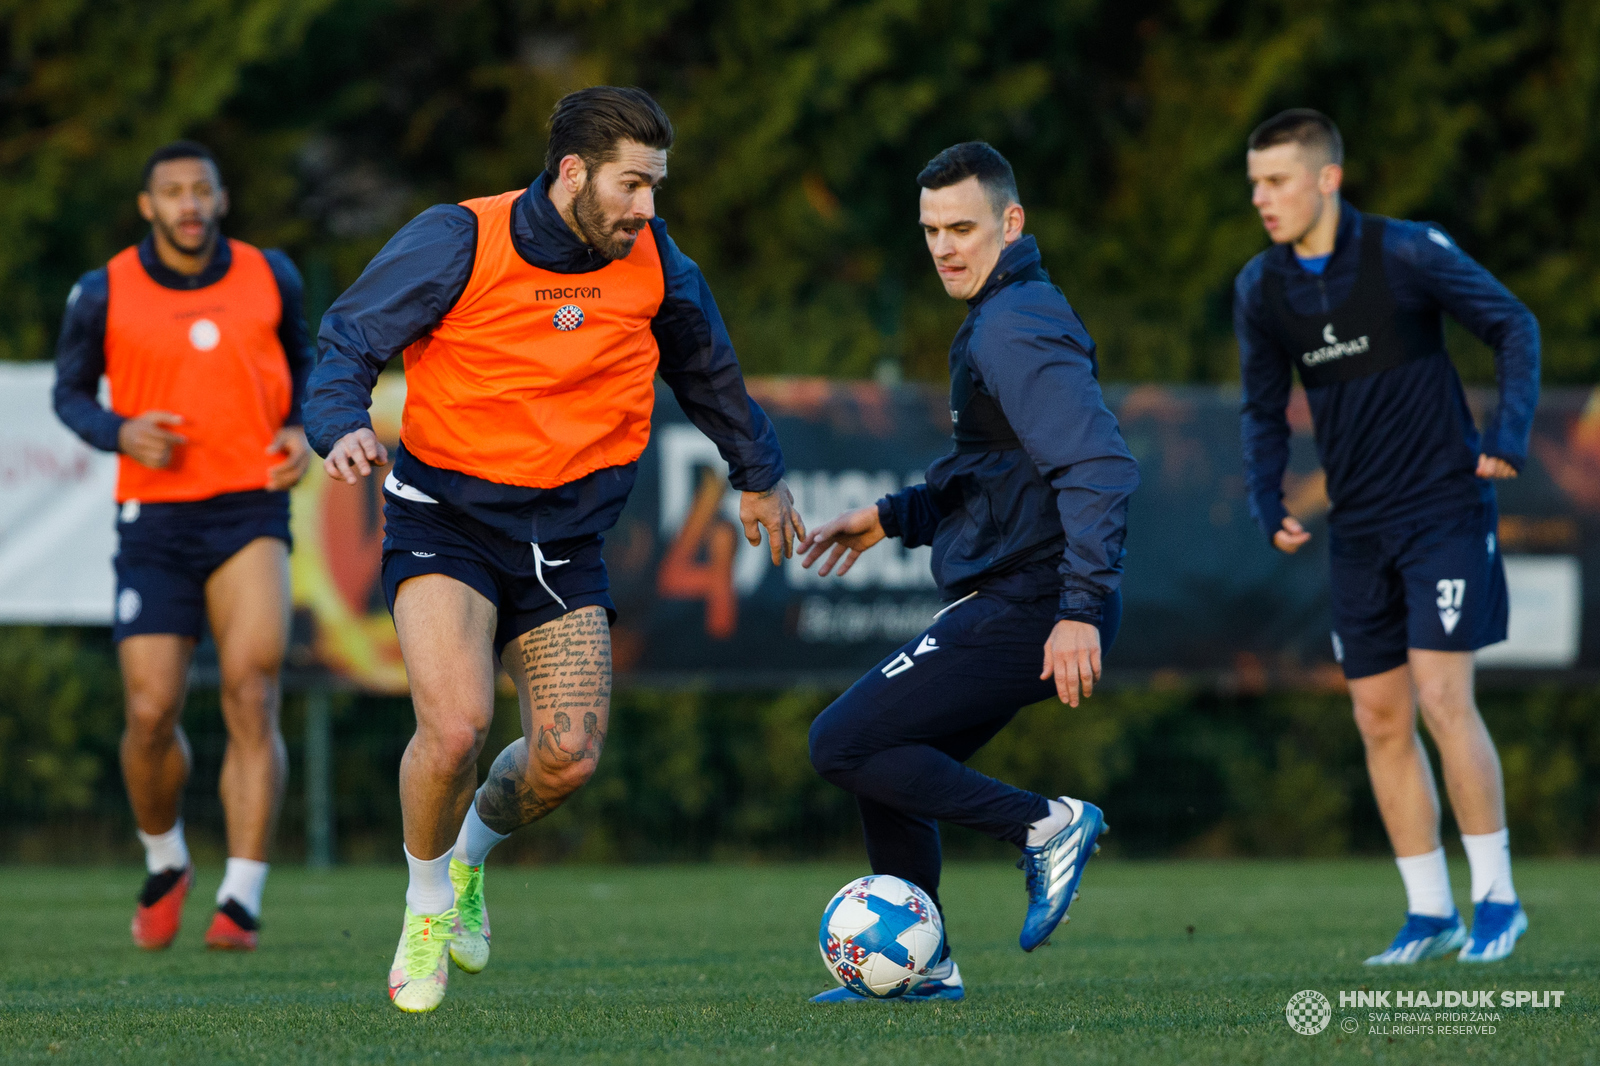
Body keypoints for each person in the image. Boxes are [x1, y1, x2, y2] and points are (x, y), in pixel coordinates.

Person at [304, 86, 804, 1013]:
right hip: (444, 520)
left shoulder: (655, 262)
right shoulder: (460, 238)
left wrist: (758, 473)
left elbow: (709, 370)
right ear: (572, 173)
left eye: (656, 186)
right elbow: (349, 335)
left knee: (567, 757)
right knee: (454, 730)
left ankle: (465, 866)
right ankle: (422, 914)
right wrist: (337, 423)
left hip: (566, 542)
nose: (647, 207)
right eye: (631, 185)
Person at [800, 142, 1139, 1002]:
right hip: (1030, 589)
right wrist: (892, 516)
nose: (945, 247)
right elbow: (994, 473)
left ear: (1011, 222)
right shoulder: (999, 314)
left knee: (842, 741)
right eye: (930, 230)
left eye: (963, 227)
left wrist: (1081, 608)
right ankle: (925, 969)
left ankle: (1045, 825)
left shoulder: (1013, 321)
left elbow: (1098, 465)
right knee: (892, 760)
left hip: (1038, 599)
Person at [1236, 110, 1540, 964]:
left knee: (1445, 701)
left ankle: (1497, 902)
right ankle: (1429, 912)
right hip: (1359, 530)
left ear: (1327, 178)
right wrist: (1268, 497)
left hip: (1445, 510)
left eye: (1278, 181)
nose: (1262, 198)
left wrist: (1506, 438)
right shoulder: (1262, 289)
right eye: (1256, 183)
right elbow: (1262, 408)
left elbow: (1514, 324)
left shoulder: (1404, 252)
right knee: (1377, 718)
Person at [53, 140, 314, 952]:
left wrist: (306, 426)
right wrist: (119, 430)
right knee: (150, 709)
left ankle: (241, 894)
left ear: (223, 199)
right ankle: (166, 859)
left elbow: (305, 362)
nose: (189, 204)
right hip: (155, 518)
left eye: (201, 189)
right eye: (172, 192)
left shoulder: (273, 273)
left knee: (253, 687)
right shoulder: (104, 290)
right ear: (148, 207)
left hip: (249, 507)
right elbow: (69, 393)